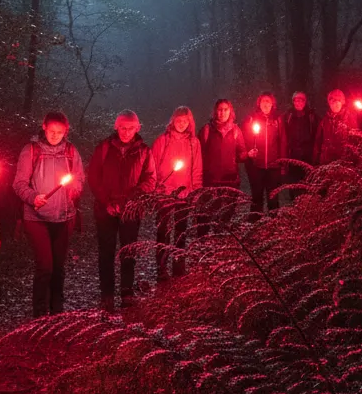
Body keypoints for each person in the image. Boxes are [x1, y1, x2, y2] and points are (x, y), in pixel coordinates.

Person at [13, 111, 85, 317]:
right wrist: (33, 197)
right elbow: (18, 184)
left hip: (64, 216)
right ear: (43, 127)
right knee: (45, 266)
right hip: (36, 218)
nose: (55, 136)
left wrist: (75, 189)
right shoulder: (31, 151)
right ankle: (39, 314)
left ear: (65, 132)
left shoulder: (71, 151)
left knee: (59, 267)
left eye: (59, 132)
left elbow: (79, 178)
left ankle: (57, 313)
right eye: (51, 131)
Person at [88, 110, 156, 311]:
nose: (126, 132)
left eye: (130, 128)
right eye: (122, 128)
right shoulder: (104, 148)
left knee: (128, 252)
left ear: (138, 128)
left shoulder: (144, 151)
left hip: (131, 210)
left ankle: (126, 293)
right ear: (116, 127)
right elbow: (93, 177)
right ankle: (107, 295)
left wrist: (131, 200)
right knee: (106, 253)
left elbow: (150, 179)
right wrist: (106, 202)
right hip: (105, 209)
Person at [151, 106, 203, 282]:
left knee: (181, 231)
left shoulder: (193, 143)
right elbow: (153, 166)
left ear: (189, 123)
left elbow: (197, 169)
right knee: (163, 232)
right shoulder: (162, 141)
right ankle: (162, 267)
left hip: (184, 193)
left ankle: (179, 265)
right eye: (178, 120)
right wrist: (157, 188)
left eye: (185, 121)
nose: (181, 124)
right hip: (164, 194)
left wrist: (194, 190)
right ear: (173, 120)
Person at [197, 98, 247, 234]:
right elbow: (198, 154)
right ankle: (204, 246)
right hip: (211, 181)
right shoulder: (207, 130)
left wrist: (248, 154)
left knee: (226, 217)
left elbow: (241, 154)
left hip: (230, 181)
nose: (222, 112)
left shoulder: (236, 130)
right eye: (220, 109)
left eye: (225, 109)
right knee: (207, 217)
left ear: (230, 111)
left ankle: (220, 244)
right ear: (215, 112)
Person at [243, 92, 287, 215]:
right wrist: (250, 152)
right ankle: (255, 224)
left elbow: (282, 141)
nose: (266, 103)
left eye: (268, 101)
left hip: (274, 166)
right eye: (263, 101)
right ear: (259, 103)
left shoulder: (278, 119)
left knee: (273, 197)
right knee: (257, 197)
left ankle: (273, 224)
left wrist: (282, 164)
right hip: (257, 166)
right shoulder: (252, 119)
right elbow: (246, 139)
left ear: (272, 104)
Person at [283, 91, 319, 188]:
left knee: (307, 183)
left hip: (307, 156)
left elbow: (317, 135)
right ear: (293, 102)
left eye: (301, 100)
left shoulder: (311, 116)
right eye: (296, 100)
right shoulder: (288, 116)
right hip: (293, 155)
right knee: (294, 183)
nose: (298, 103)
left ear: (305, 102)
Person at [314, 89, 353, 165]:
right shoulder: (324, 121)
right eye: (333, 101)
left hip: (345, 162)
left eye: (339, 100)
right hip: (327, 162)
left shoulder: (349, 118)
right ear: (329, 103)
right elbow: (318, 142)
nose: (336, 103)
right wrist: (316, 161)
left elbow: (356, 140)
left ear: (342, 102)